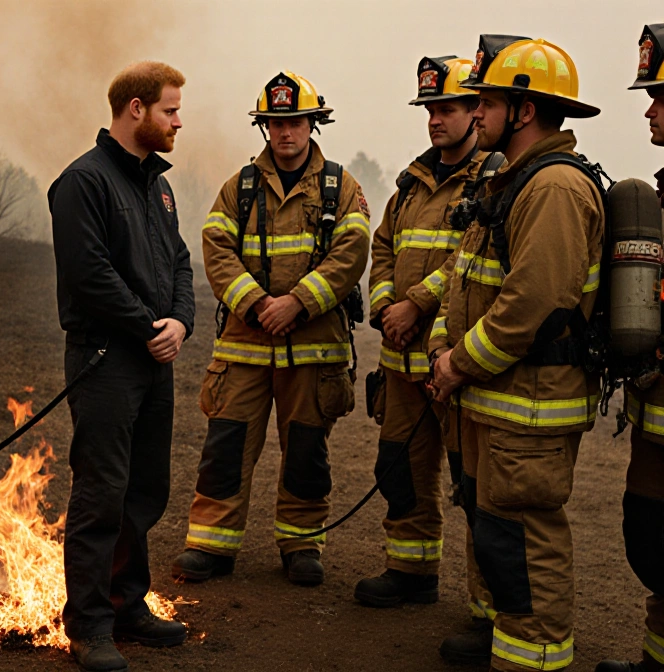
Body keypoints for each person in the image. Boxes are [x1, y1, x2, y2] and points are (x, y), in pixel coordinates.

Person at [427, 35, 604, 671]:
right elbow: (467, 276)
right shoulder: (513, 179)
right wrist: (446, 346)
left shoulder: (554, 188)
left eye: (487, 102)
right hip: (498, 399)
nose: (474, 114)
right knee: (495, 529)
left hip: (530, 404)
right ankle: (505, 633)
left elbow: (531, 303)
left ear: (522, 111)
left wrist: (457, 363)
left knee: (525, 538)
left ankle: (534, 658)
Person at [170, 71, 369, 587]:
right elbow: (215, 251)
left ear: (312, 124)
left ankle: (302, 546)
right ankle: (211, 545)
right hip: (245, 346)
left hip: (312, 349)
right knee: (225, 447)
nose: (286, 132)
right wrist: (259, 305)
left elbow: (351, 255)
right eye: (276, 122)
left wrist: (299, 304)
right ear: (265, 127)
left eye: (296, 121)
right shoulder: (238, 187)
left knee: (306, 452)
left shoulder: (340, 187)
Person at [48, 61, 195, 672]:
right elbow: (90, 277)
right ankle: (88, 627)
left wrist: (180, 322)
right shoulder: (83, 182)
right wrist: (146, 327)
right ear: (135, 109)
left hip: (153, 360)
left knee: (144, 491)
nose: (178, 121)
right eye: (170, 110)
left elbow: (182, 264)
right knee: (101, 494)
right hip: (106, 360)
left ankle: (128, 603)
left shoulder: (157, 187)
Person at [356, 55, 501, 609]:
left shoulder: (493, 180)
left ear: (476, 112)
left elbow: (473, 256)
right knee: (401, 469)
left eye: (448, 108)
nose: (435, 119)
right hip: (400, 361)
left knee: (474, 486)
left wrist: (416, 304)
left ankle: (487, 606)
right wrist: (388, 302)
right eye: (429, 109)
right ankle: (411, 572)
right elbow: (384, 245)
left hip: (457, 363)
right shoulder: (412, 184)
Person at [595, 24, 664, 672]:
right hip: (654, 422)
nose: (648, 109)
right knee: (653, 544)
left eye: (660, 97)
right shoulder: (660, 194)